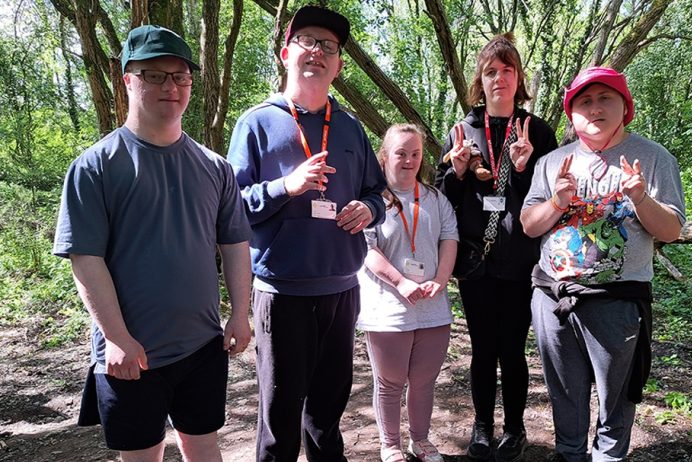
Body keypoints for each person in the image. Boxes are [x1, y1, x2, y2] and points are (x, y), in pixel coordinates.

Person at [52, 25, 252, 462]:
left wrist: (240, 313)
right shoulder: (95, 166)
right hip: (131, 353)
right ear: (128, 80)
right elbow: (86, 259)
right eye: (154, 75)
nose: (171, 86)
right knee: (142, 454)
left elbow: (235, 244)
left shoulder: (214, 167)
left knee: (203, 446)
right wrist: (117, 337)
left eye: (180, 76)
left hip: (202, 345)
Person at [225, 6, 386, 462]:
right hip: (281, 291)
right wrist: (284, 187)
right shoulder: (256, 123)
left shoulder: (352, 127)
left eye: (329, 47)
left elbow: (378, 193)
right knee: (279, 418)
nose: (317, 51)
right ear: (285, 53)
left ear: (338, 66)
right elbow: (231, 208)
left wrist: (367, 209)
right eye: (308, 41)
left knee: (327, 414)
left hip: (341, 288)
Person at [520, 67, 686, 462]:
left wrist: (641, 198)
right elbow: (529, 225)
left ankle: (609, 457)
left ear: (624, 107)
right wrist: (558, 202)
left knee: (617, 400)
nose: (594, 108)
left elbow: (672, 230)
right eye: (584, 101)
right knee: (564, 395)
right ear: (571, 112)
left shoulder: (653, 157)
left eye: (605, 98)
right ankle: (570, 453)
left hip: (618, 302)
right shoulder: (552, 162)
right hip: (553, 298)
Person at [434, 33, 558, 462]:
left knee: (512, 348)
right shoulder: (461, 131)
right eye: (491, 71)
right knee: (483, 349)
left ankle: (516, 429)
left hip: (522, 262)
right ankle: (482, 427)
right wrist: (460, 172)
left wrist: (523, 170)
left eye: (507, 70)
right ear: (480, 81)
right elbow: (440, 197)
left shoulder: (539, 131)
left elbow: (551, 199)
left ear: (519, 78)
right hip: (474, 263)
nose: (499, 78)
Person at [357, 124, 458, 462]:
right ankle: (390, 445)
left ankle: (420, 440)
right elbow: (366, 250)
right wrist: (400, 282)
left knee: (424, 380)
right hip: (387, 307)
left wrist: (441, 280)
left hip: (432, 307)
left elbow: (449, 240)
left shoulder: (436, 199)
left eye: (415, 154)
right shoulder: (372, 201)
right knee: (390, 382)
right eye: (401, 153)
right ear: (384, 157)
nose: (409, 160)